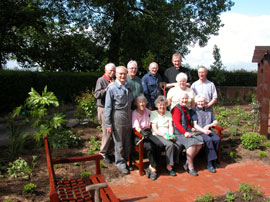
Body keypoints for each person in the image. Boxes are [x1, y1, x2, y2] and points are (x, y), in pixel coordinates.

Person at [104, 66, 133, 174]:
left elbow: (132, 102)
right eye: (120, 74)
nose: (122, 76)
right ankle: (120, 163)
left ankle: (125, 161)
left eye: (124, 74)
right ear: (116, 74)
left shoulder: (128, 86)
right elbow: (108, 108)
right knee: (119, 142)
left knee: (127, 142)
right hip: (118, 117)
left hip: (128, 116)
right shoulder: (112, 89)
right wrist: (108, 124)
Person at [132, 94, 164, 180]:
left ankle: (151, 166)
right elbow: (136, 127)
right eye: (140, 102)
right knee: (150, 147)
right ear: (136, 104)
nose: (142, 104)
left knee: (160, 145)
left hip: (149, 133)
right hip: (139, 136)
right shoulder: (134, 113)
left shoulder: (147, 111)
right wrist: (141, 132)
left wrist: (163, 111)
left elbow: (155, 113)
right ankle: (154, 169)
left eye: (143, 102)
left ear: (145, 103)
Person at [171, 93, 203, 176]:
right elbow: (177, 124)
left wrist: (191, 128)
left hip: (187, 131)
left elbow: (188, 121)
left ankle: (187, 162)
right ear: (178, 100)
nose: (184, 100)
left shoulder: (186, 109)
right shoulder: (176, 109)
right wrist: (185, 132)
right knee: (192, 144)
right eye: (183, 99)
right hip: (179, 133)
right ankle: (191, 166)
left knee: (200, 141)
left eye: (186, 99)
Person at [150, 96, 181, 176]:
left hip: (168, 134)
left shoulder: (168, 113)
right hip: (158, 135)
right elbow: (155, 129)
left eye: (164, 105)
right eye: (160, 105)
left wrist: (171, 134)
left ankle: (175, 161)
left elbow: (170, 126)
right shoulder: (153, 114)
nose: (162, 106)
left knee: (179, 143)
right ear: (157, 105)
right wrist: (164, 135)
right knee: (170, 144)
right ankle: (169, 166)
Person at [192, 94, 220, 173]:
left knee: (217, 139)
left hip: (208, 130)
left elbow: (215, 122)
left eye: (202, 102)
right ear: (196, 102)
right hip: (199, 131)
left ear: (205, 103)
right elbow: (195, 125)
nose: (201, 103)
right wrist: (204, 131)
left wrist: (208, 125)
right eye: (199, 101)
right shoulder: (194, 111)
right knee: (208, 140)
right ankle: (209, 163)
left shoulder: (208, 111)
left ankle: (215, 159)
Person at [94, 63, 116, 163]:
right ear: (105, 71)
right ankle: (102, 153)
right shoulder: (101, 80)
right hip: (103, 109)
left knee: (112, 132)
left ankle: (110, 152)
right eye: (110, 71)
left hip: (112, 109)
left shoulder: (114, 80)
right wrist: (107, 88)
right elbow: (97, 94)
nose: (112, 72)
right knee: (107, 132)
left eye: (113, 71)